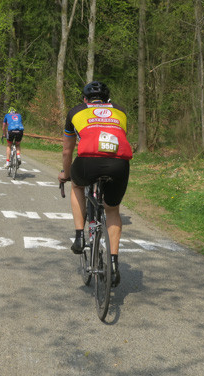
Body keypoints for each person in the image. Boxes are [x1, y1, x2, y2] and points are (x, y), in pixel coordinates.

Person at [58, 81, 133, 287]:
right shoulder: (121, 111)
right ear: (108, 100)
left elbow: (67, 151)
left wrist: (66, 173)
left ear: (85, 99)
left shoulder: (76, 111)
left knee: (76, 185)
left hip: (88, 163)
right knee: (112, 210)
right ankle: (114, 263)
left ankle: (79, 236)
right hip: (119, 164)